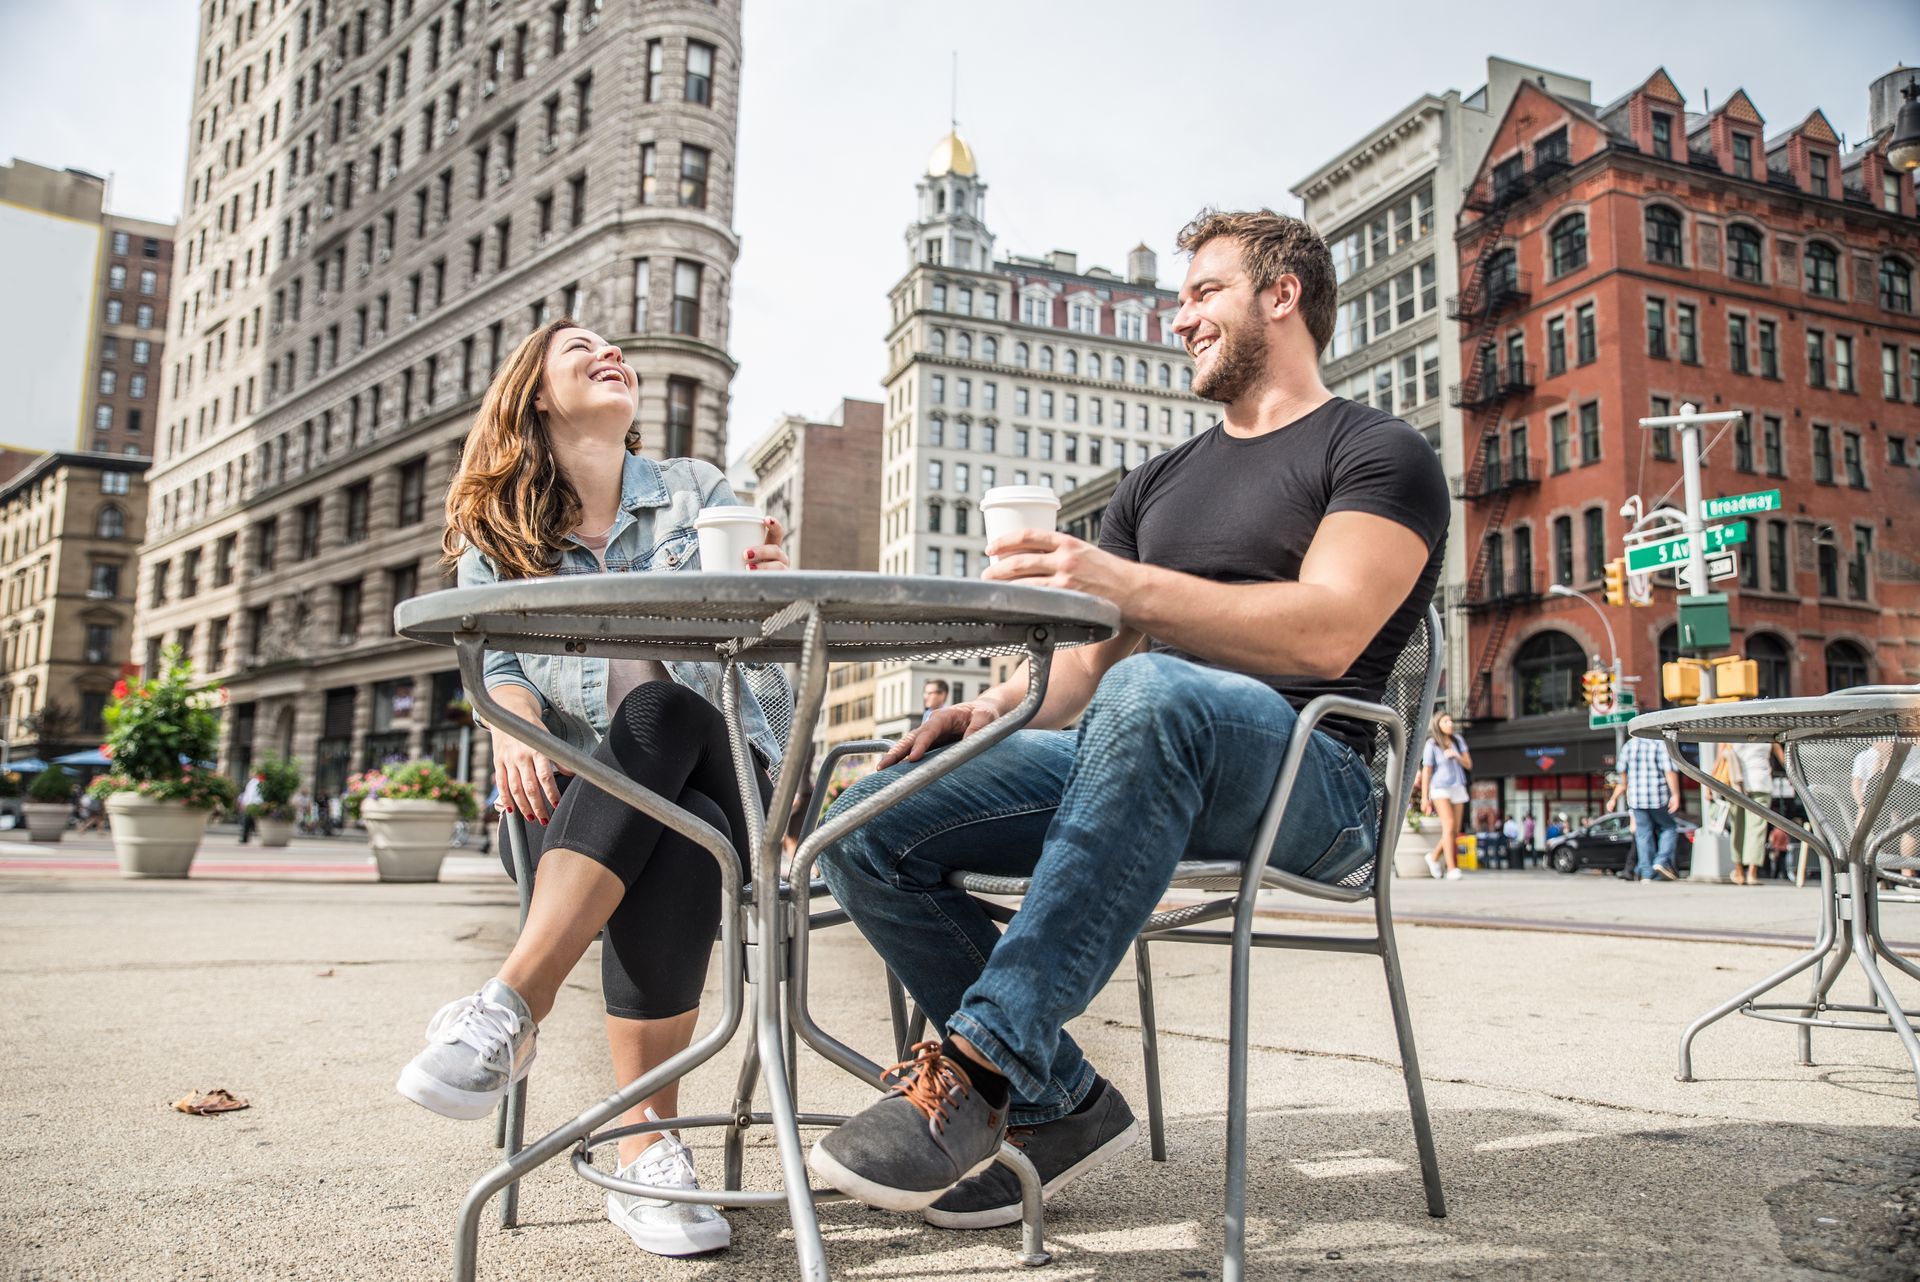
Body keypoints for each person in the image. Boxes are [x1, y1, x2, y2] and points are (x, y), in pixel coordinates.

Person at [807, 209, 1449, 1226]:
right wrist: (985, 709)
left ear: (1281, 296)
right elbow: (1074, 680)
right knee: (874, 818)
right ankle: (1059, 1101)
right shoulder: (1157, 483)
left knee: (1154, 692)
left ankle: (979, 1060)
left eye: (1204, 293)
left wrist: (1128, 585)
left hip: (1311, 781)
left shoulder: (1379, 450)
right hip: (1137, 759)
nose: (1180, 319)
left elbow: (1328, 634)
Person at [393, 319, 792, 1259]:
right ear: (536, 391)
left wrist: (770, 592)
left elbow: (765, 661)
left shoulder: (699, 493)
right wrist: (508, 713)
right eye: (583, 349)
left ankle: (508, 1007)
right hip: (576, 808)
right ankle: (649, 1149)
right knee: (678, 823)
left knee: (659, 717)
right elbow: (493, 665)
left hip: (740, 778)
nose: (613, 354)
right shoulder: (497, 532)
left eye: (618, 349)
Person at [1610, 735, 1683, 881]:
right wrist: (1675, 794)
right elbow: (1669, 770)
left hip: (1636, 798)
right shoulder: (1658, 744)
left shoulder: (1628, 746)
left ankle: (1646, 873)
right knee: (1669, 828)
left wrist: (1615, 797)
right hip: (1657, 796)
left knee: (1643, 835)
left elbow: (1622, 773)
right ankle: (1661, 861)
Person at [1417, 712, 1470, 881]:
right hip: (1440, 788)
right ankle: (1452, 868)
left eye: (1450, 720)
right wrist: (1425, 798)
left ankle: (1433, 857)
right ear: (1437, 724)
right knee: (1449, 826)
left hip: (1458, 786)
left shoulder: (1458, 741)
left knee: (1454, 830)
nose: (1450, 723)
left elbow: (1469, 764)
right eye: (1446, 721)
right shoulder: (1432, 744)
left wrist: (1456, 755)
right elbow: (1427, 771)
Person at [236, 771, 265, 843]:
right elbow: (247, 794)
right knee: (246, 820)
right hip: (249, 804)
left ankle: (253, 834)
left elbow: (259, 795)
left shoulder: (260, 782)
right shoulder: (251, 782)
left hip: (256, 803)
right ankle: (244, 837)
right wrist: (244, 803)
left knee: (252, 821)